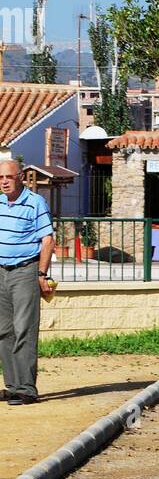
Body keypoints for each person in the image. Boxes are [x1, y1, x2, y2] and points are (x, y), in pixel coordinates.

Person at [0, 160, 55, 405]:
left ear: (20, 177)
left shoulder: (35, 202)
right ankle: (12, 386)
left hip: (25, 270)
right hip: (0, 271)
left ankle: (26, 389)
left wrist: (41, 274)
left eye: (8, 177)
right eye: (0, 177)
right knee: (4, 331)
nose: (3, 181)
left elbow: (47, 239)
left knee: (24, 328)